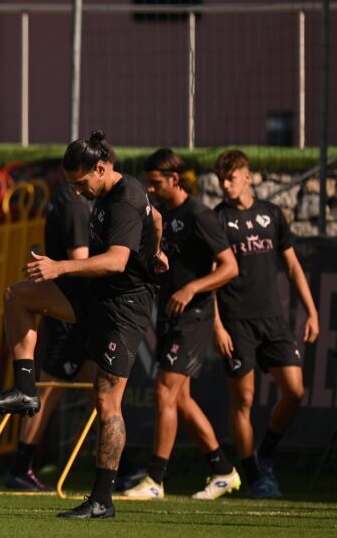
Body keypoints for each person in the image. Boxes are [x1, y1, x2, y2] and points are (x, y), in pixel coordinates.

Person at [0, 131, 164, 520]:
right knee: (19, 295)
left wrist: (59, 266)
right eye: (72, 185)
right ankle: (26, 389)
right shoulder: (109, 193)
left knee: (105, 400)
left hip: (123, 308)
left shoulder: (125, 200)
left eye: (82, 183)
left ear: (101, 167)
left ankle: (102, 500)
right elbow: (157, 217)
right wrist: (156, 250)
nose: (78, 191)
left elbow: (115, 261)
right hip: (95, 293)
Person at [119, 148, 241, 500]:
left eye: (156, 183)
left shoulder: (199, 214)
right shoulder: (164, 216)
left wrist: (190, 288)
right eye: (148, 184)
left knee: (163, 391)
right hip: (170, 316)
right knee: (181, 400)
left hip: (194, 316)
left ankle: (155, 479)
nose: (151, 189)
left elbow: (229, 267)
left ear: (175, 179)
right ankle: (223, 470)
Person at [212, 149, 320, 499]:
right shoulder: (217, 219)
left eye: (231, 177)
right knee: (242, 401)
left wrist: (311, 311)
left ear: (248, 176)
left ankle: (266, 454)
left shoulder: (271, 214)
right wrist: (216, 326)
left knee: (295, 390)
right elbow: (209, 277)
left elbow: (292, 267)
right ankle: (253, 475)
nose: (226, 185)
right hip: (236, 322)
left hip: (272, 320)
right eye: (221, 179)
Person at [6, 179, 93, 492]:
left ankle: (120, 466)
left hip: (72, 312)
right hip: (72, 315)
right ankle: (20, 466)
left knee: (99, 385)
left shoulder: (64, 196)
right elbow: (80, 259)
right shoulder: (73, 201)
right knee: (49, 390)